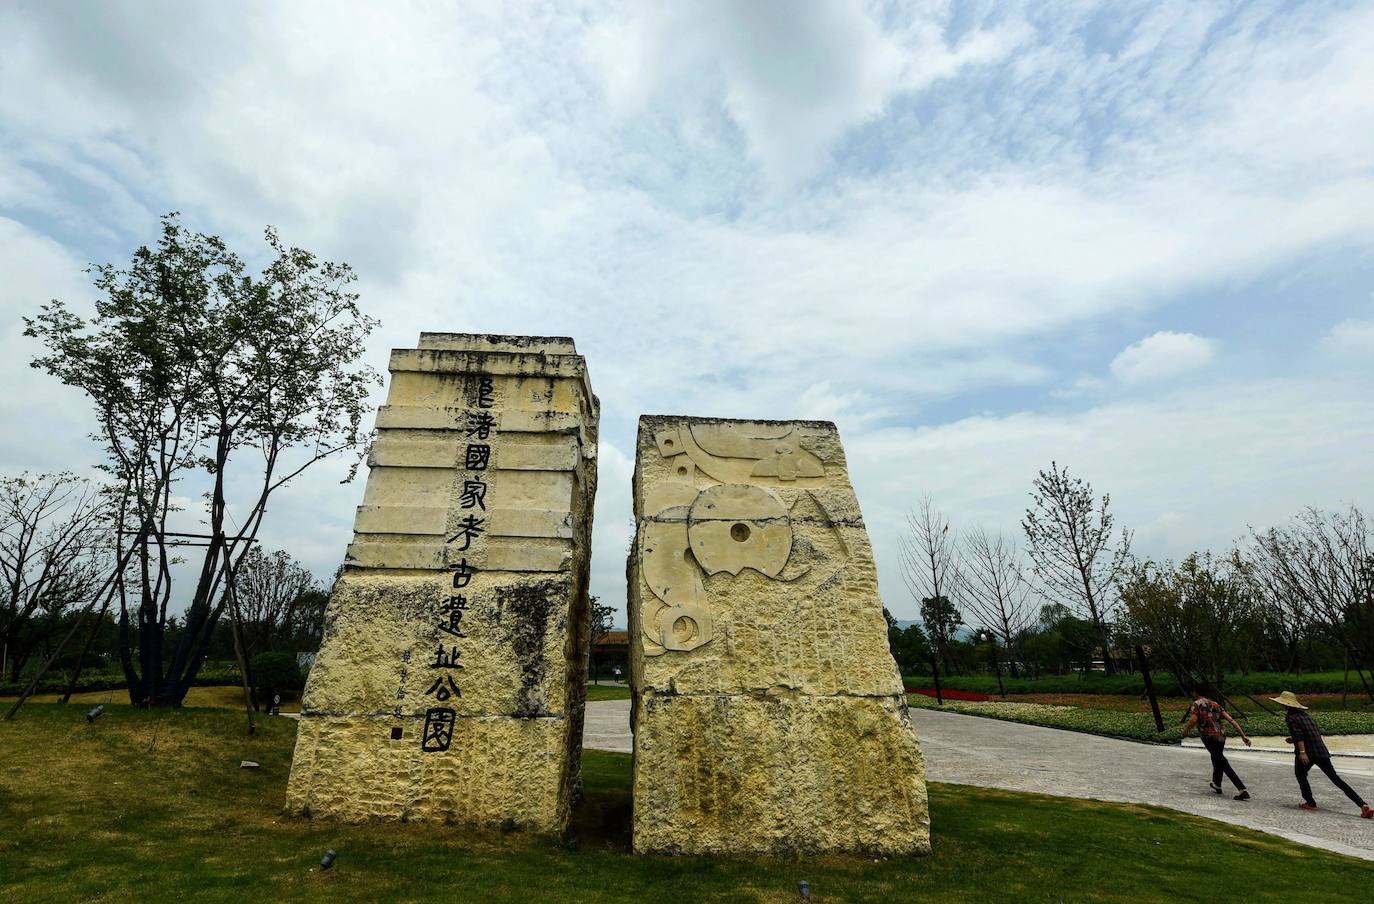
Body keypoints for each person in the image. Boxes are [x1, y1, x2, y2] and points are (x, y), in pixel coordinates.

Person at [1272, 690, 1374, 818]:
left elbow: (1299, 736)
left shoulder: (1291, 717)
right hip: (1321, 751)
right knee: (1336, 779)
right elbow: (1310, 733)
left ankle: (1310, 803)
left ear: (1285, 704)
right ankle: (1363, 805)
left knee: (1300, 774)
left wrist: (1302, 753)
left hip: (1308, 752)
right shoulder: (1306, 716)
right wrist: (1292, 739)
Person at [1180, 686, 1252, 801]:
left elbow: (1193, 720)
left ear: (1195, 692)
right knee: (1217, 758)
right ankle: (1217, 784)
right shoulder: (1215, 704)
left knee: (1222, 762)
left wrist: (1185, 731)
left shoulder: (1196, 704)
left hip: (1208, 737)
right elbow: (1231, 720)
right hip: (1221, 737)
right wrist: (1242, 735)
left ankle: (1242, 789)